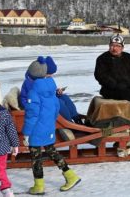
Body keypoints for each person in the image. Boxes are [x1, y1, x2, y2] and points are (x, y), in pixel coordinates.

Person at [22, 57, 81, 195]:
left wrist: (27, 133)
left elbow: (32, 115)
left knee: (36, 158)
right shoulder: (50, 90)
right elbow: (55, 109)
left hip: (36, 131)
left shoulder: (34, 92)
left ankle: (39, 186)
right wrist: (50, 122)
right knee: (52, 152)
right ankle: (71, 176)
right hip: (48, 127)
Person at [94, 34, 130, 118]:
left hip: (128, 87)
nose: (114, 48)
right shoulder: (102, 59)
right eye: (112, 45)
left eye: (118, 46)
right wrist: (116, 85)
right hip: (111, 90)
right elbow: (100, 76)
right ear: (109, 46)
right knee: (129, 96)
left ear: (122, 47)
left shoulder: (127, 57)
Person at [20, 56, 81, 124]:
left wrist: (57, 93)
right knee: (59, 103)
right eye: (49, 75)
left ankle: (76, 118)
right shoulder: (31, 83)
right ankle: (69, 123)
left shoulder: (43, 80)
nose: (51, 76)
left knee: (64, 97)